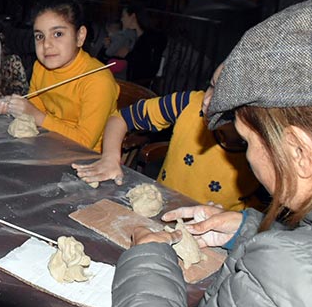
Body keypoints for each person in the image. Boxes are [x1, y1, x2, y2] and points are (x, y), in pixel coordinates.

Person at [110, 0, 312, 307]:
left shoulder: (287, 274)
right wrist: (249, 230)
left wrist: (148, 255)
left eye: (247, 142)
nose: (246, 157)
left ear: (298, 151)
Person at [73, 64, 259, 211]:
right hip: (161, 208)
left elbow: (263, 219)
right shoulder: (187, 104)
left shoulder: (266, 151)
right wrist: (110, 158)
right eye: (212, 86)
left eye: (224, 96)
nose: (207, 100)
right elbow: (120, 118)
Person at [0, 0, 119, 151]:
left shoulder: (98, 81)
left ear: (80, 36)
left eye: (58, 34)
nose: (46, 44)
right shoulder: (41, 67)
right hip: (48, 145)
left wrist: (36, 115)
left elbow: (84, 143)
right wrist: (14, 107)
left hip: (87, 160)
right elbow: (34, 110)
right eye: (40, 36)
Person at [110, 3, 167, 85]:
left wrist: (128, 55)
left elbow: (146, 68)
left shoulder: (149, 40)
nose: (122, 19)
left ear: (133, 17)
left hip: (139, 85)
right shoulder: (134, 36)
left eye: (124, 16)